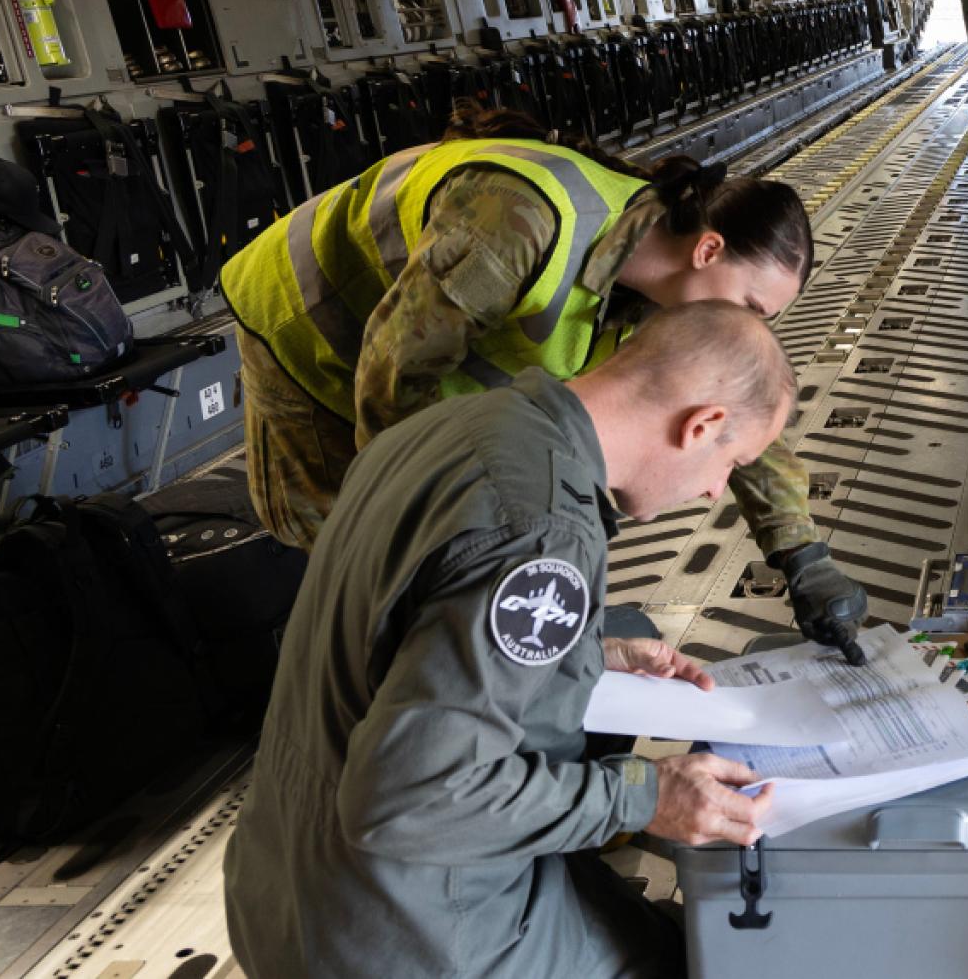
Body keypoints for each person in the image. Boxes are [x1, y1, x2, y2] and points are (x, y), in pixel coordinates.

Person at [223, 301, 791, 979]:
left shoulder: (456, 423)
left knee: (629, 631)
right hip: (401, 933)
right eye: (732, 463)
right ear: (703, 424)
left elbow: (402, 621)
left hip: (277, 883)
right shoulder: (541, 526)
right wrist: (645, 798)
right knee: (689, 959)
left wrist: (585, 647)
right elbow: (406, 796)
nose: (712, 492)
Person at [220, 107, 868, 656]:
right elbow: (391, 390)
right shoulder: (519, 225)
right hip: (311, 331)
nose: (751, 329)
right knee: (353, 532)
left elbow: (738, 406)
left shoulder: (661, 289)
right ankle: (362, 681)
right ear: (707, 251)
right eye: (754, 309)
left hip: (406, 355)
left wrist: (801, 553)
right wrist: (457, 551)